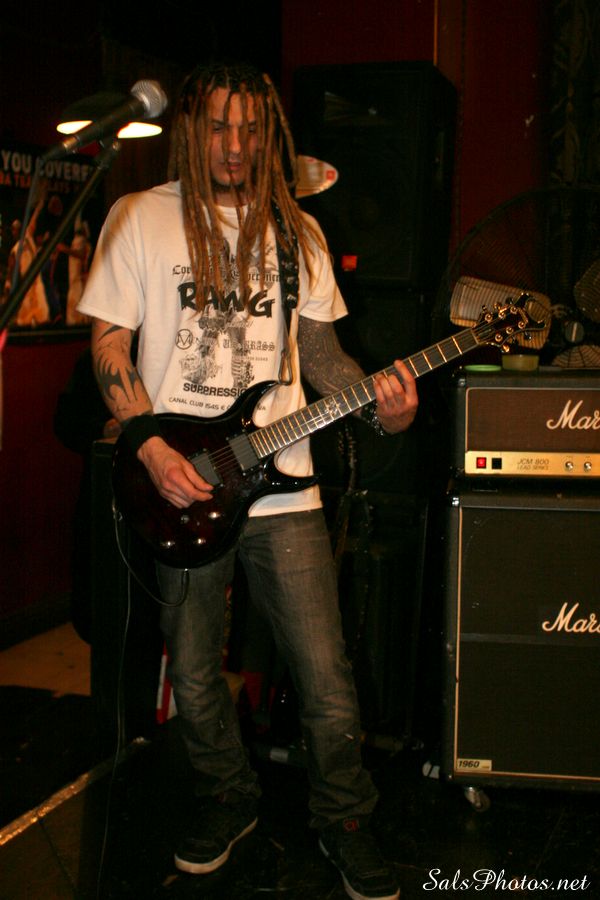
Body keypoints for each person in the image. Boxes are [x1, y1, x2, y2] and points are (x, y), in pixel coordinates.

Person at [77, 61, 418, 900]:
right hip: (181, 478)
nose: (236, 145)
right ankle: (228, 796)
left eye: (252, 128)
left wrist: (384, 410)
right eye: (219, 127)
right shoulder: (139, 217)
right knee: (194, 673)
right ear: (192, 131)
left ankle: (345, 818)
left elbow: (325, 357)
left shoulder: (297, 232)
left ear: (270, 135)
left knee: (326, 676)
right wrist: (149, 448)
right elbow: (109, 344)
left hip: (286, 485)